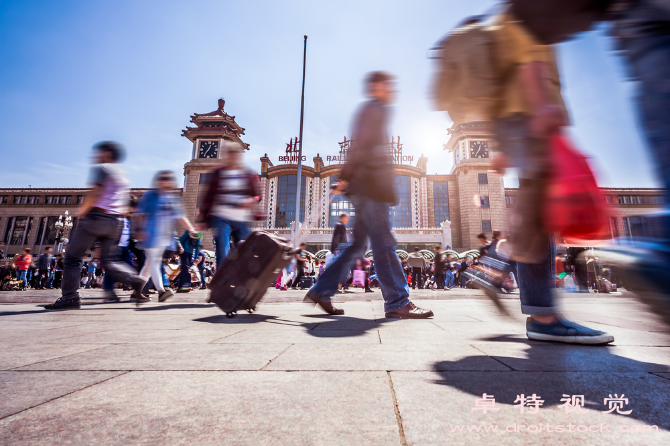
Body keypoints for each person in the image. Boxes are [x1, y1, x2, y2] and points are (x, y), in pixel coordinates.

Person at [481, 7, 614, 343]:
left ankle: (496, 270)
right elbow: (529, 57)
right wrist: (542, 105)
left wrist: (500, 140)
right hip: (529, 114)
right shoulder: (525, 12)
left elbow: (498, 81)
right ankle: (536, 309)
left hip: (516, 117)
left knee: (535, 206)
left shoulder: (502, 18)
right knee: (538, 211)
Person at [305, 71, 433, 318]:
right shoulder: (375, 109)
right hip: (371, 188)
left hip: (366, 188)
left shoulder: (375, 110)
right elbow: (360, 146)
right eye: (388, 85)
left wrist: (347, 177)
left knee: (357, 248)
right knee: (384, 244)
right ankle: (398, 301)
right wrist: (345, 176)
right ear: (377, 86)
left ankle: (322, 290)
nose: (392, 89)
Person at [44, 141, 146, 310]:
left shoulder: (102, 168)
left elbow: (96, 192)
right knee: (109, 262)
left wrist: (82, 211)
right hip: (115, 222)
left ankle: (70, 297)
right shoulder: (123, 176)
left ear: (107, 153)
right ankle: (136, 280)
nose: (96, 155)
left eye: (99, 152)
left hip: (97, 217)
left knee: (72, 258)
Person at [136, 170, 197, 302]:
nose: (165, 181)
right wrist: (140, 230)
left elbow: (181, 216)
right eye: (163, 178)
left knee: (148, 265)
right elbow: (139, 214)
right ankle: (161, 291)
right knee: (154, 262)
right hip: (149, 235)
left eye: (168, 179)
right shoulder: (150, 195)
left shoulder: (172, 198)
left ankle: (137, 291)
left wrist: (191, 229)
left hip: (163, 238)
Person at [196, 141, 261, 267]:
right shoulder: (217, 173)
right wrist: (202, 218)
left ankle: (242, 281)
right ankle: (221, 281)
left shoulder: (249, 174)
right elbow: (208, 196)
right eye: (229, 152)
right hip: (221, 216)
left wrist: (253, 200)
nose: (232, 155)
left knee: (245, 249)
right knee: (222, 247)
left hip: (242, 217)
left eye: (235, 153)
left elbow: (258, 194)